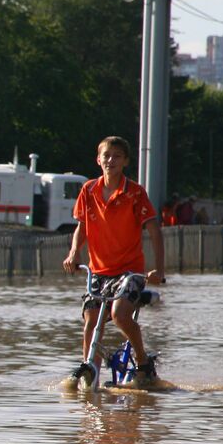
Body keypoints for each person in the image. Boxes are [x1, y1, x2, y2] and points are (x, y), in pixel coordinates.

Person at [61, 135, 165, 383]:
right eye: (106, 155)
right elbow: (82, 227)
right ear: (98, 159)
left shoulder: (135, 193)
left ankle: (142, 361)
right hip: (98, 270)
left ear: (126, 161)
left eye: (117, 156)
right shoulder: (88, 190)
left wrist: (158, 270)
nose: (111, 160)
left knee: (119, 315)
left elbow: (154, 231)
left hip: (129, 272)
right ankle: (90, 372)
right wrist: (74, 252)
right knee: (91, 319)